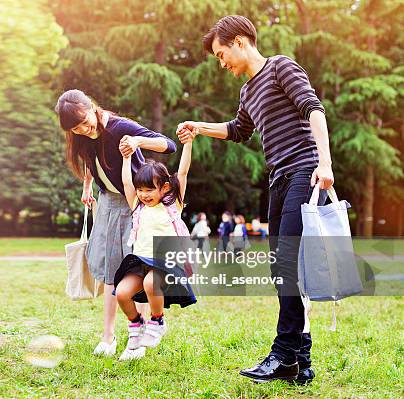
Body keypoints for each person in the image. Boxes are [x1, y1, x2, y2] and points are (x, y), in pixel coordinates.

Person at [177, 15, 334, 384]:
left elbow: (314, 110)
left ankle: (282, 355)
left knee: (288, 266)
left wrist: (324, 163)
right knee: (282, 271)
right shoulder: (248, 92)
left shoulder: (281, 67)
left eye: (221, 54)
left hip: (305, 170)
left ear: (240, 41)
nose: (221, 63)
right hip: (279, 179)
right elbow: (238, 130)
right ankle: (301, 362)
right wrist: (199, 127)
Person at [55, 89, 177, 357]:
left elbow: (168, 144)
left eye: (85, 122)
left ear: (92, 107)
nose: (84, 130)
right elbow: (90, 160)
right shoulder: (83, 137)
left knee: (139, 268)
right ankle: (108, 337)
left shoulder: (120, 128)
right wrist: (88, 185)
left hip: (135, 203)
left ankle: (144, 336)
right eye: (76, 129)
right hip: (108, 202)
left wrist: (136, 142)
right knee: (112, 270)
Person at [113, 139, 196, 360]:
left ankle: (157, 320)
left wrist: (187, 144)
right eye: (141, 190)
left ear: (165, 188)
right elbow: (127, 184)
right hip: (140, 261)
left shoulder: (172, 205)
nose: (143, 194)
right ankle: (135, 323)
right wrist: (126, 158)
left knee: (151, 283)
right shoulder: (137, 206)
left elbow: (184, 172)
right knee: (121, 293)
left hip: (165, 261)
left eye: (149, 190)